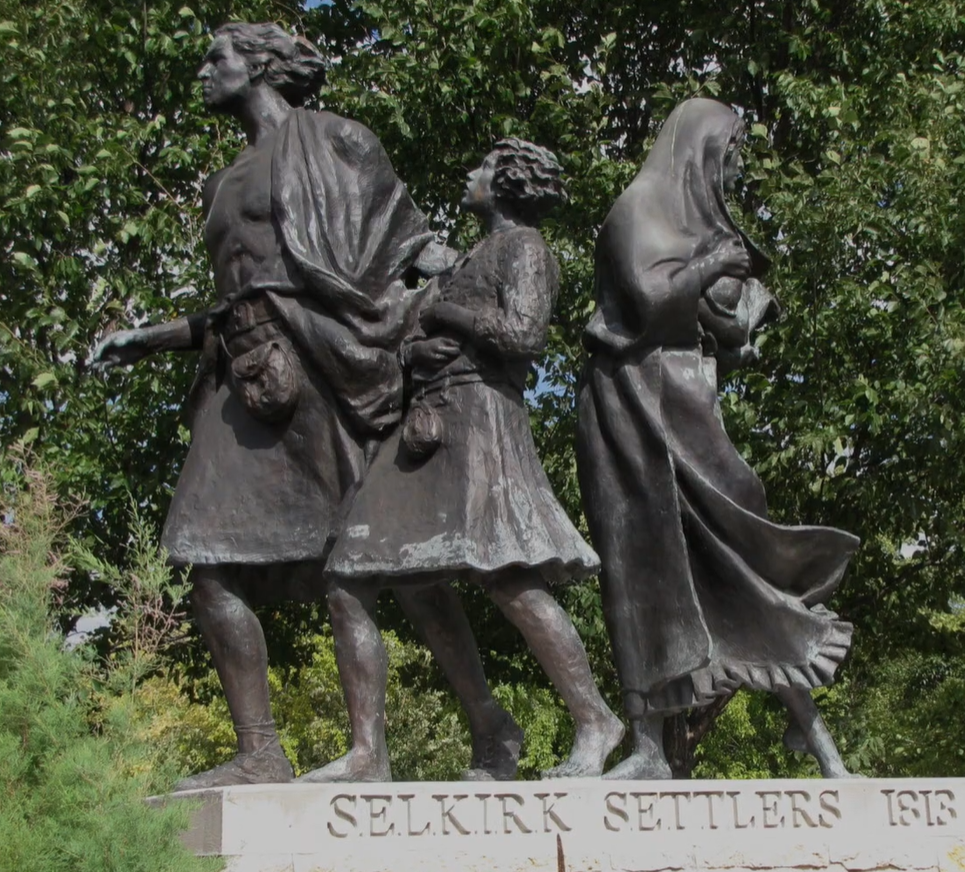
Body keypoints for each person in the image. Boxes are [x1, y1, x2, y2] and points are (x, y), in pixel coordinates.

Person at [92, 22, 519, 788]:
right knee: (207, 567)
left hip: (333, 368)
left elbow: (408, 242)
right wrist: (147, 338)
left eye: (215, 57)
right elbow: (233, 302)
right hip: (247, 379)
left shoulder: (340, 140)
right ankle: (260, 752)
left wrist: (467, 285)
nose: (203, 70)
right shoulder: (219, 183)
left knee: (392, 566)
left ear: (258, 65)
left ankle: (489, 723)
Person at [575, 98, 860, 780]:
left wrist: (738, 308)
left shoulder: (695, 227)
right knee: (640, 573)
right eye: (727, 153)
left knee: (745, 570)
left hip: (687, 412)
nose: (731, 168)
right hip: (628, 411)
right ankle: (648, 747)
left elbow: (724, 334)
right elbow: (648, 303)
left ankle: (822, 748)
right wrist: (711, 267)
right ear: (698, 150)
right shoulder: (635, 210)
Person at [325, 138, 625, 778]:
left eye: (481, 167)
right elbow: (419, 338)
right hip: (429, 425)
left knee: (506, 575)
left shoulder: (524, 248)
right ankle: (447, 734)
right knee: (366, 572)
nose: (469, 172)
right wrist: (418, 348)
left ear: (508, 183)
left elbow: (523, 334)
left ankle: (595, 719)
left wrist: (448, 317)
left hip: (480, 422)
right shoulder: (464, 259)